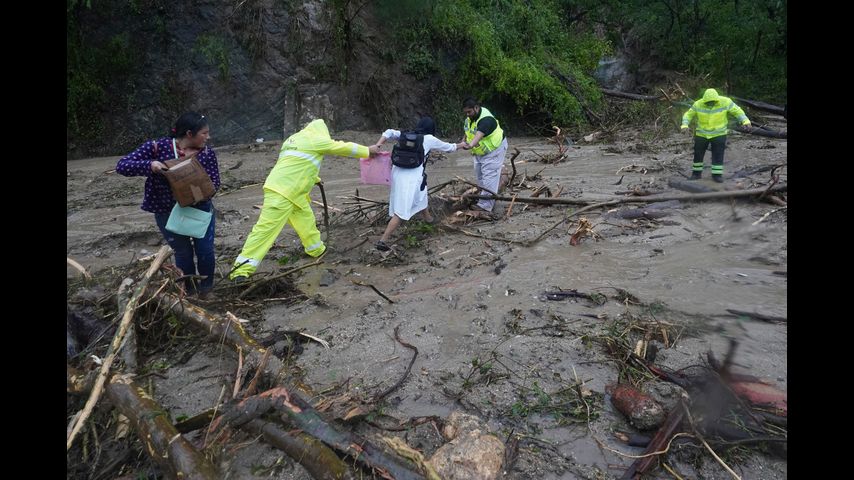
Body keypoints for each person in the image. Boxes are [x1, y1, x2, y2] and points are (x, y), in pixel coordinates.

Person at [229, 119, 380, 281]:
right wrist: (367, 150)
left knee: (306, 221)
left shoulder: (293, 139)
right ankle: (240, 270)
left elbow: (298, 163)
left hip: (291, 191)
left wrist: (315, 178)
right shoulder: (315, 140)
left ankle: (316, 250)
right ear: (322, 132)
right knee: (265, 231)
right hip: (283, 192)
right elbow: (340, 147)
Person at [116, 112, 220, 296]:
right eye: (204, 133)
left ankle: (207, 289)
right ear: (189, 134)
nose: (208, 137)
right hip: (166, 210)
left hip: (200, 209)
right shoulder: (157, 147)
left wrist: (198, 191)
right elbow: (122, 165)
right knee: (183, 253)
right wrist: (150, 165)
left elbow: (215, 182)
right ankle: (189, 291)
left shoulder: (207, 153)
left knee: (205, 251)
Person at [371, 117, 467, 251]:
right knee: (402, 210)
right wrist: (462, 145)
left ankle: (429, 219)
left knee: (421, 193)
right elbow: (449, 148)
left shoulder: (405, 134)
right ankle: (383, 241)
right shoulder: (429, 139)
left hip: (397, 174)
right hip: (411, 177)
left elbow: (388, 132)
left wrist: (378, 145)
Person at [681, 88, 751, 183]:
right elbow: (688, 115)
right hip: (702, 133)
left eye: (712, 102)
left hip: (719, 133)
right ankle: (696, 174)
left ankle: (717, 175)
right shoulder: (698, 104)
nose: (710, 104)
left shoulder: (725, 102)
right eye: (708, 102)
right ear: (704, 100)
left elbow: (737, 111)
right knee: (698, 154)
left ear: (717, 99)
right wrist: (685, 125)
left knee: (718, 154)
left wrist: (745, 121)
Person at [460, 97, 508, 214]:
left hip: (494, 150)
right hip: (480, 152)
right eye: (465, 112)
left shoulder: (486, 120)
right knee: (479, 175)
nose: (467, 114)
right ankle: (483, 198)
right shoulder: (471, 117)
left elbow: (478, 135)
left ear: (476, 108)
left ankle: (485, 206)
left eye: (469, 112)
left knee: (489, 177)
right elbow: (469, 131)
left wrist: (469, 145)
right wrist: (463, 140)